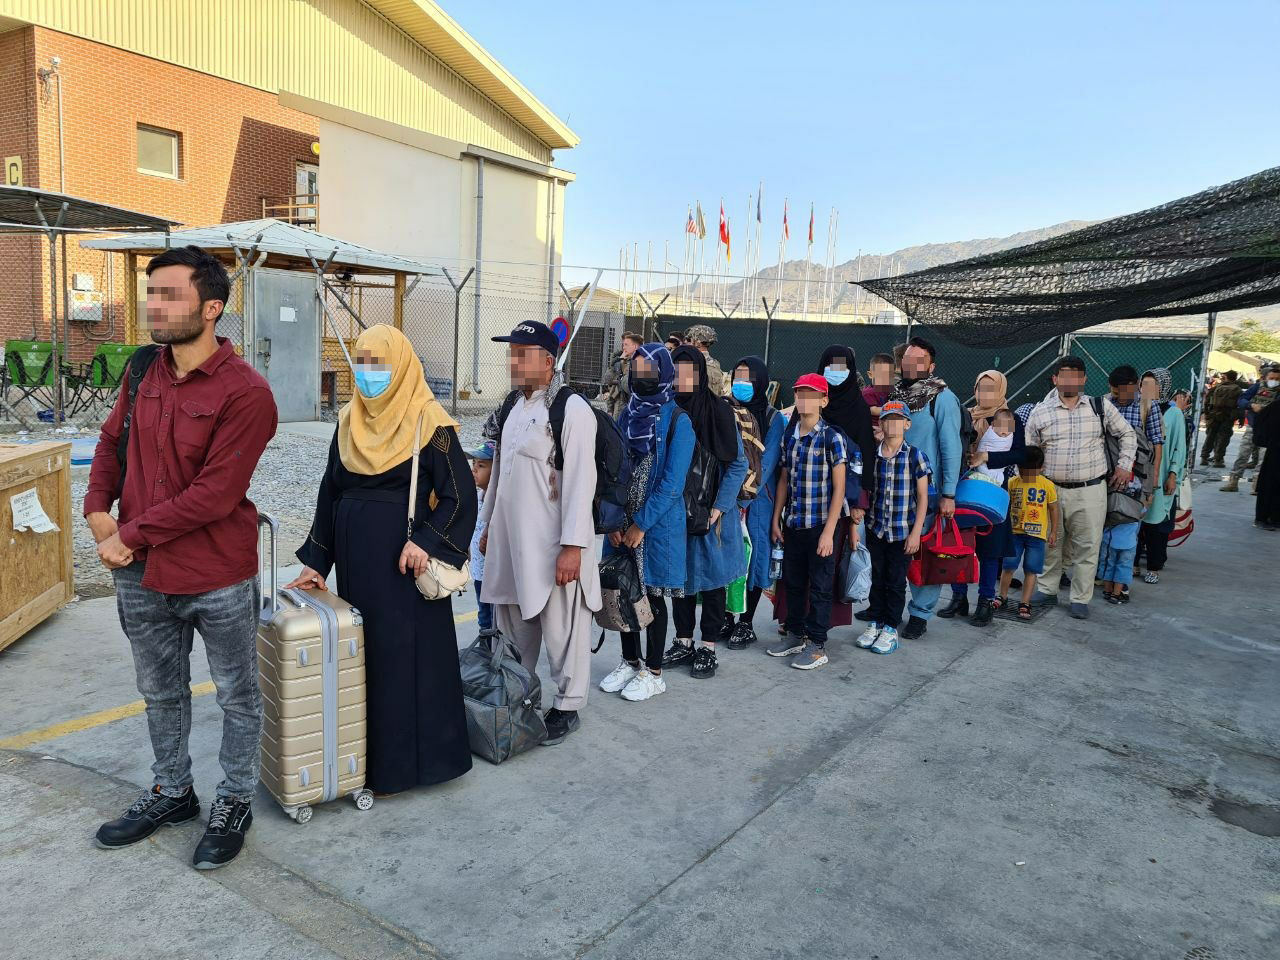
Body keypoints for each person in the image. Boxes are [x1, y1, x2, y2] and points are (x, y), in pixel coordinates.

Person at [85, 245, 277, 869]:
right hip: (141, 575)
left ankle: (235, 800)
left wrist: (130, 534)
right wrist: (96, 510)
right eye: (152, 294)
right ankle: (173, 792)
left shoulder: (247, 393)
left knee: (237, 694)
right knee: (159, 690)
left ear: (212, 307)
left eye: (170, 295)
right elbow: (111, 442)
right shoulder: (142, 370)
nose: (155, 307)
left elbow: (214, 495)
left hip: (216, 573)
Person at [290, 325, 475, 797]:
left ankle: (408, 767)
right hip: (355, 564)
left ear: (402, 364)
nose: (369, 373)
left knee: (401, 661)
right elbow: (331, 491)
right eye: (362, 362)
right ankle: (362, 764)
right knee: (361, 660)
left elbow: (459, 494)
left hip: (403, 567)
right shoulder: (350, 418)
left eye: (379, 363)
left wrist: (427, 543)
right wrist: (317, 561)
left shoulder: (429, 422)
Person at [479, 321, 601, 744]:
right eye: (511, 352)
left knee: (562, 628)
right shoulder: (514, 406)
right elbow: (499, 476)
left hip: (553, 547)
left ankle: (568, 707)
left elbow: (582, 483)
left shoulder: (571, 410)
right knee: (513, 622)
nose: (513, 360)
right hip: (512, 543)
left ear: (548, 362)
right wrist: (489, 526)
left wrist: (572, 547)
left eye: (522, 352)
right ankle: (518, 694)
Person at [599, 343, 695, 701]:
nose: (641, 377)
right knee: (623, 593)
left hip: (656, 528)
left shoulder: (678, 421)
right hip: (623, 522)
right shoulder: (626, 415)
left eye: (648, 370)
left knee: (652, 598)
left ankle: (653, 672)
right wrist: (613, 522)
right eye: (635, 370)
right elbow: (612, 468)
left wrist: (641, 523)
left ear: (664, 373)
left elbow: (673, 483)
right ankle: (629, 660)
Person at [660, 345, 748, 679]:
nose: (682, 378)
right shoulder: (667, 410)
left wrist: (718, 508)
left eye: (688, 371)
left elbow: (737, 464)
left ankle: (708, 646)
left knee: (712, 582)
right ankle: (683, 640)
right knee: (680, 580)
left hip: (712, 517)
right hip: (676, 514)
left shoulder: (719, 412)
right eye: (677, 370)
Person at [1025, 356, 1136, 619]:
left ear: (1084, 380)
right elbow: (1031, 451)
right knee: (1052, 542)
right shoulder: (1040, 412)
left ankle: (1080, 597)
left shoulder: (1100, 407)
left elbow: (1127, 433)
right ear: (1055, 379)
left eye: (1076, 375)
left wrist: (1124, 465)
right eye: (1064, 375)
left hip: (1091, 489)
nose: (1070, 380)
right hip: (1051, 489)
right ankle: (1047, 588)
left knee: (1087, 545)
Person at [767, 373, 853, 669]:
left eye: (811, 394)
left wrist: (830, 532)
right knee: (793, 582)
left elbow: (840, 488)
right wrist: (777, 518)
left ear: (824, 400)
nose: (804, 399)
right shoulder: (789, 437)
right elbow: (783, 480)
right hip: (794, 523)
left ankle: (817, 644)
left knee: (819, 585)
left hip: (821, 525)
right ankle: (795, 635)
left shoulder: (832, 437)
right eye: (800, 394)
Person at [887, 336, 964, 639]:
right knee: (891, 553)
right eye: (907, 358)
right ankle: (886, 606)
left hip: (926, 494)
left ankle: (920, 614)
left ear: (931, 366)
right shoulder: (895, 396)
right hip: (892, 489)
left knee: (923, 554)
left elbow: (951, 447)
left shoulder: (941, 398)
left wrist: (948, 494)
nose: (911, 364)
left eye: (919, 360)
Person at [940, 369, 1026, 627]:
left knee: (990, 551)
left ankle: (986, 602)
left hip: (992, 494)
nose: (984, 394)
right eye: (980, 388)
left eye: (990, 389)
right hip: (963, 489)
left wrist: (986, 456)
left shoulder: (1010, 419)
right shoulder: (965, 415)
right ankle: (959, 598)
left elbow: (1020, 454)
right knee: (959, 545)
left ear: (1000, 391)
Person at [854, 401, 931, 655]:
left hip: (902, 532)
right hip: (877, 528)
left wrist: (916, 531)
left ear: (907, 424)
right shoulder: (873, 456)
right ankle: (875, 621)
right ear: (881, 424)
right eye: (887, 419)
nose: (892, 424)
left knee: (896, 582)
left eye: (898, 419)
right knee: (877, 578)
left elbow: (922, 498)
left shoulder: (915, 456)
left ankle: (890, 627)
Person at [725, 355, 786, 649]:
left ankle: (746, 622)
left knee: (755, 559)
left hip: (758, 502)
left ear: (760, 381)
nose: (741, 383)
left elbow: (768, 461)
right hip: (726, 498)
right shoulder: (725, 410)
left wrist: (741, 500)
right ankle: (727, 616)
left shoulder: (774, 419)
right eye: (737, 377)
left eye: (747, 378)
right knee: (728, 557)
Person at [1138, 367, 1186, 584]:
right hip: (1139, 474)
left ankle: (1154, 567)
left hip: (1161, 474)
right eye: (1144, 385)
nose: (1147, 389)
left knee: (1157, 523)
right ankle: (1132, 563)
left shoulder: (1174, 413)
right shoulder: (1136, 407)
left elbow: (1178, 447)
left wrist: (1173, 474)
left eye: (1152, 385)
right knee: (1134, 520)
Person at [998, 446, 1059, 617]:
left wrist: (1053, 531)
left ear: (1041, 468)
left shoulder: (1047, 485)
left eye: (1031, 471)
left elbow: (1054, 509)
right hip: (1014, 533)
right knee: (1008, 565)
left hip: (1037, 536)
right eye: (1022, 470)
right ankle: (1002, 596)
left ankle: (1025, 602)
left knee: (1031, 569)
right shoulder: (1012, 482)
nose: (1026, 474)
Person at [1222, 363, 1279, 492]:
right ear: (1265, 377)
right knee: (1243, 454)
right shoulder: (1257, 387)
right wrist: (1251, 405)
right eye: (1271, 378)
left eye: (1277, 379)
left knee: (1263, 459)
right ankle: (1233, 482)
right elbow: (1242, 400)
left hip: (1271, 430)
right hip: (1253, 426)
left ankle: (1256, 486)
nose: (1274, 381)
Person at [467, 439, 496, 632]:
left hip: (495, 576)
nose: (474, 470)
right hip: (478, 572)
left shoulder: (498, 503)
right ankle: (485, 650)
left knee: (497, 618)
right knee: (483, 615)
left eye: (481, 465)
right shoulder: (476, 498)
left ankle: (498, 653)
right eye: (473, 465)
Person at [1201, 370, 1242, 467]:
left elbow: (1207, 401)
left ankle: (1204, 457)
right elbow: (1240, 405)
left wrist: (1207, 414)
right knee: (1223, 438)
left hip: (1214, 415)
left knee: (1210, 436)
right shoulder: (1237, 390)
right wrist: (1241, 418)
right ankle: (1218, 460)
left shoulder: (1217, 387)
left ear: (1226, 377)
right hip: (1228, 416)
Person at [1251, 392, 1280, 530]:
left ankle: (1275, 518)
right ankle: (1262, 518)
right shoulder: (1276, 406)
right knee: (1270, 484)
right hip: (1276, 452)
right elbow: (1262, 419)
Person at [603, 331, 642, 419]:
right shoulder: (620, 359)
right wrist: (615, 363)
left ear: (635, 346)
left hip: (635, 403)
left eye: (626, 344)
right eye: (623, 344)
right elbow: (607, 379)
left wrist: (621, 379)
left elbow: (631, 387)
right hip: (620, 400)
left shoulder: (643, 360)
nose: (623, 348)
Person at [685, 323, 728, 397]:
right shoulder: (715, 364)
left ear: (698, 343)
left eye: (689, 340)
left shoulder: (688, 363)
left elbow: (683, 396)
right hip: (713, 407)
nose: (685, 342)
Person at [862, 353, 897, 438]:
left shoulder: (892, 390)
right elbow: (872, 410)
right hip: (872, 429)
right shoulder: (868, 392)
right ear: (870, 375)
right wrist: (891, 408)